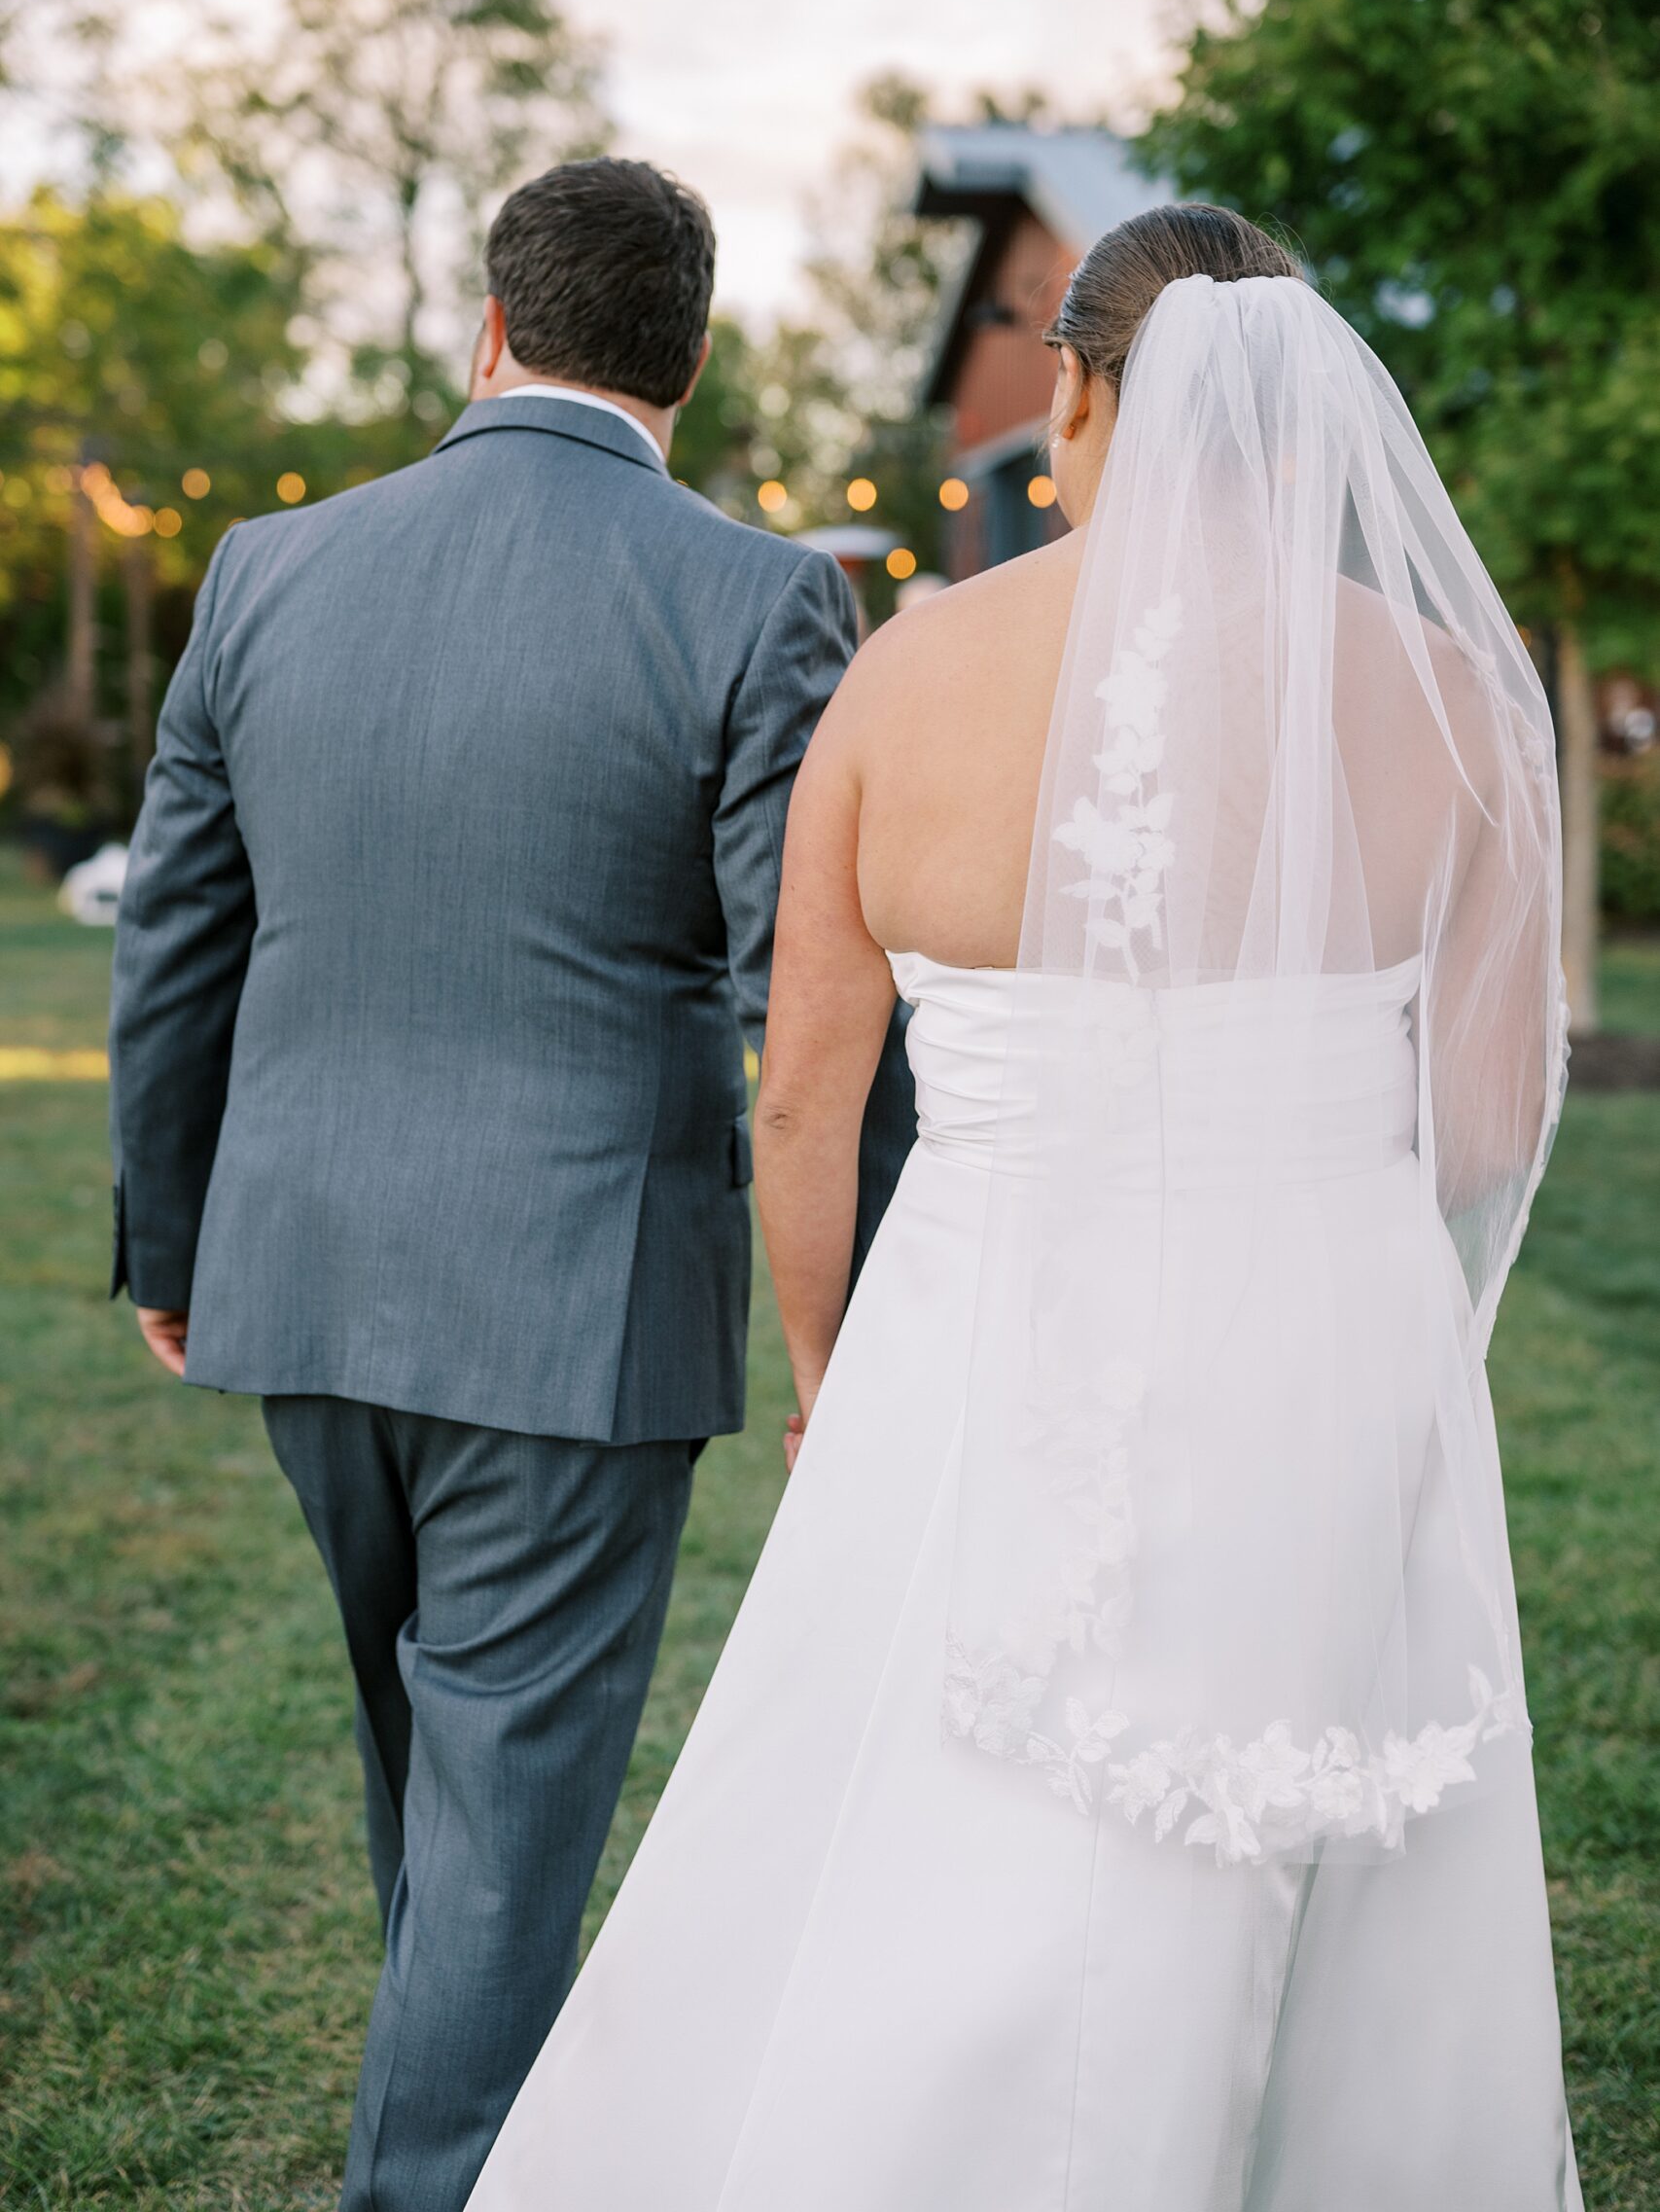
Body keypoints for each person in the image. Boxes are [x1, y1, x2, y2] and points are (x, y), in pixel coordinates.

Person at [468, 206, 1582, 2210]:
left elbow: (803, 1094)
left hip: (977, 1330)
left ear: (1070, 392)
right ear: (1302, 420)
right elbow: (1489, 1115)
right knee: (1297, 1818)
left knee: (927, 1821)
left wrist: (828, 1376)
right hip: (1328, 1328)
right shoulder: (1445, 699)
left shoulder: (910, 672)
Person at [107, 156, 914, 2212]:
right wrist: (881, 1300)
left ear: (488, 324)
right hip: (572, 1306)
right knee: (491, 1814)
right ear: (695, 360)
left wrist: (166, 1234)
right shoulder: (755, 594)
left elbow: (177, 935)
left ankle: (448, 2126)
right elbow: (802, 1005)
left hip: (297, 1277)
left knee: (442, 1791)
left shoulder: (268, 569)